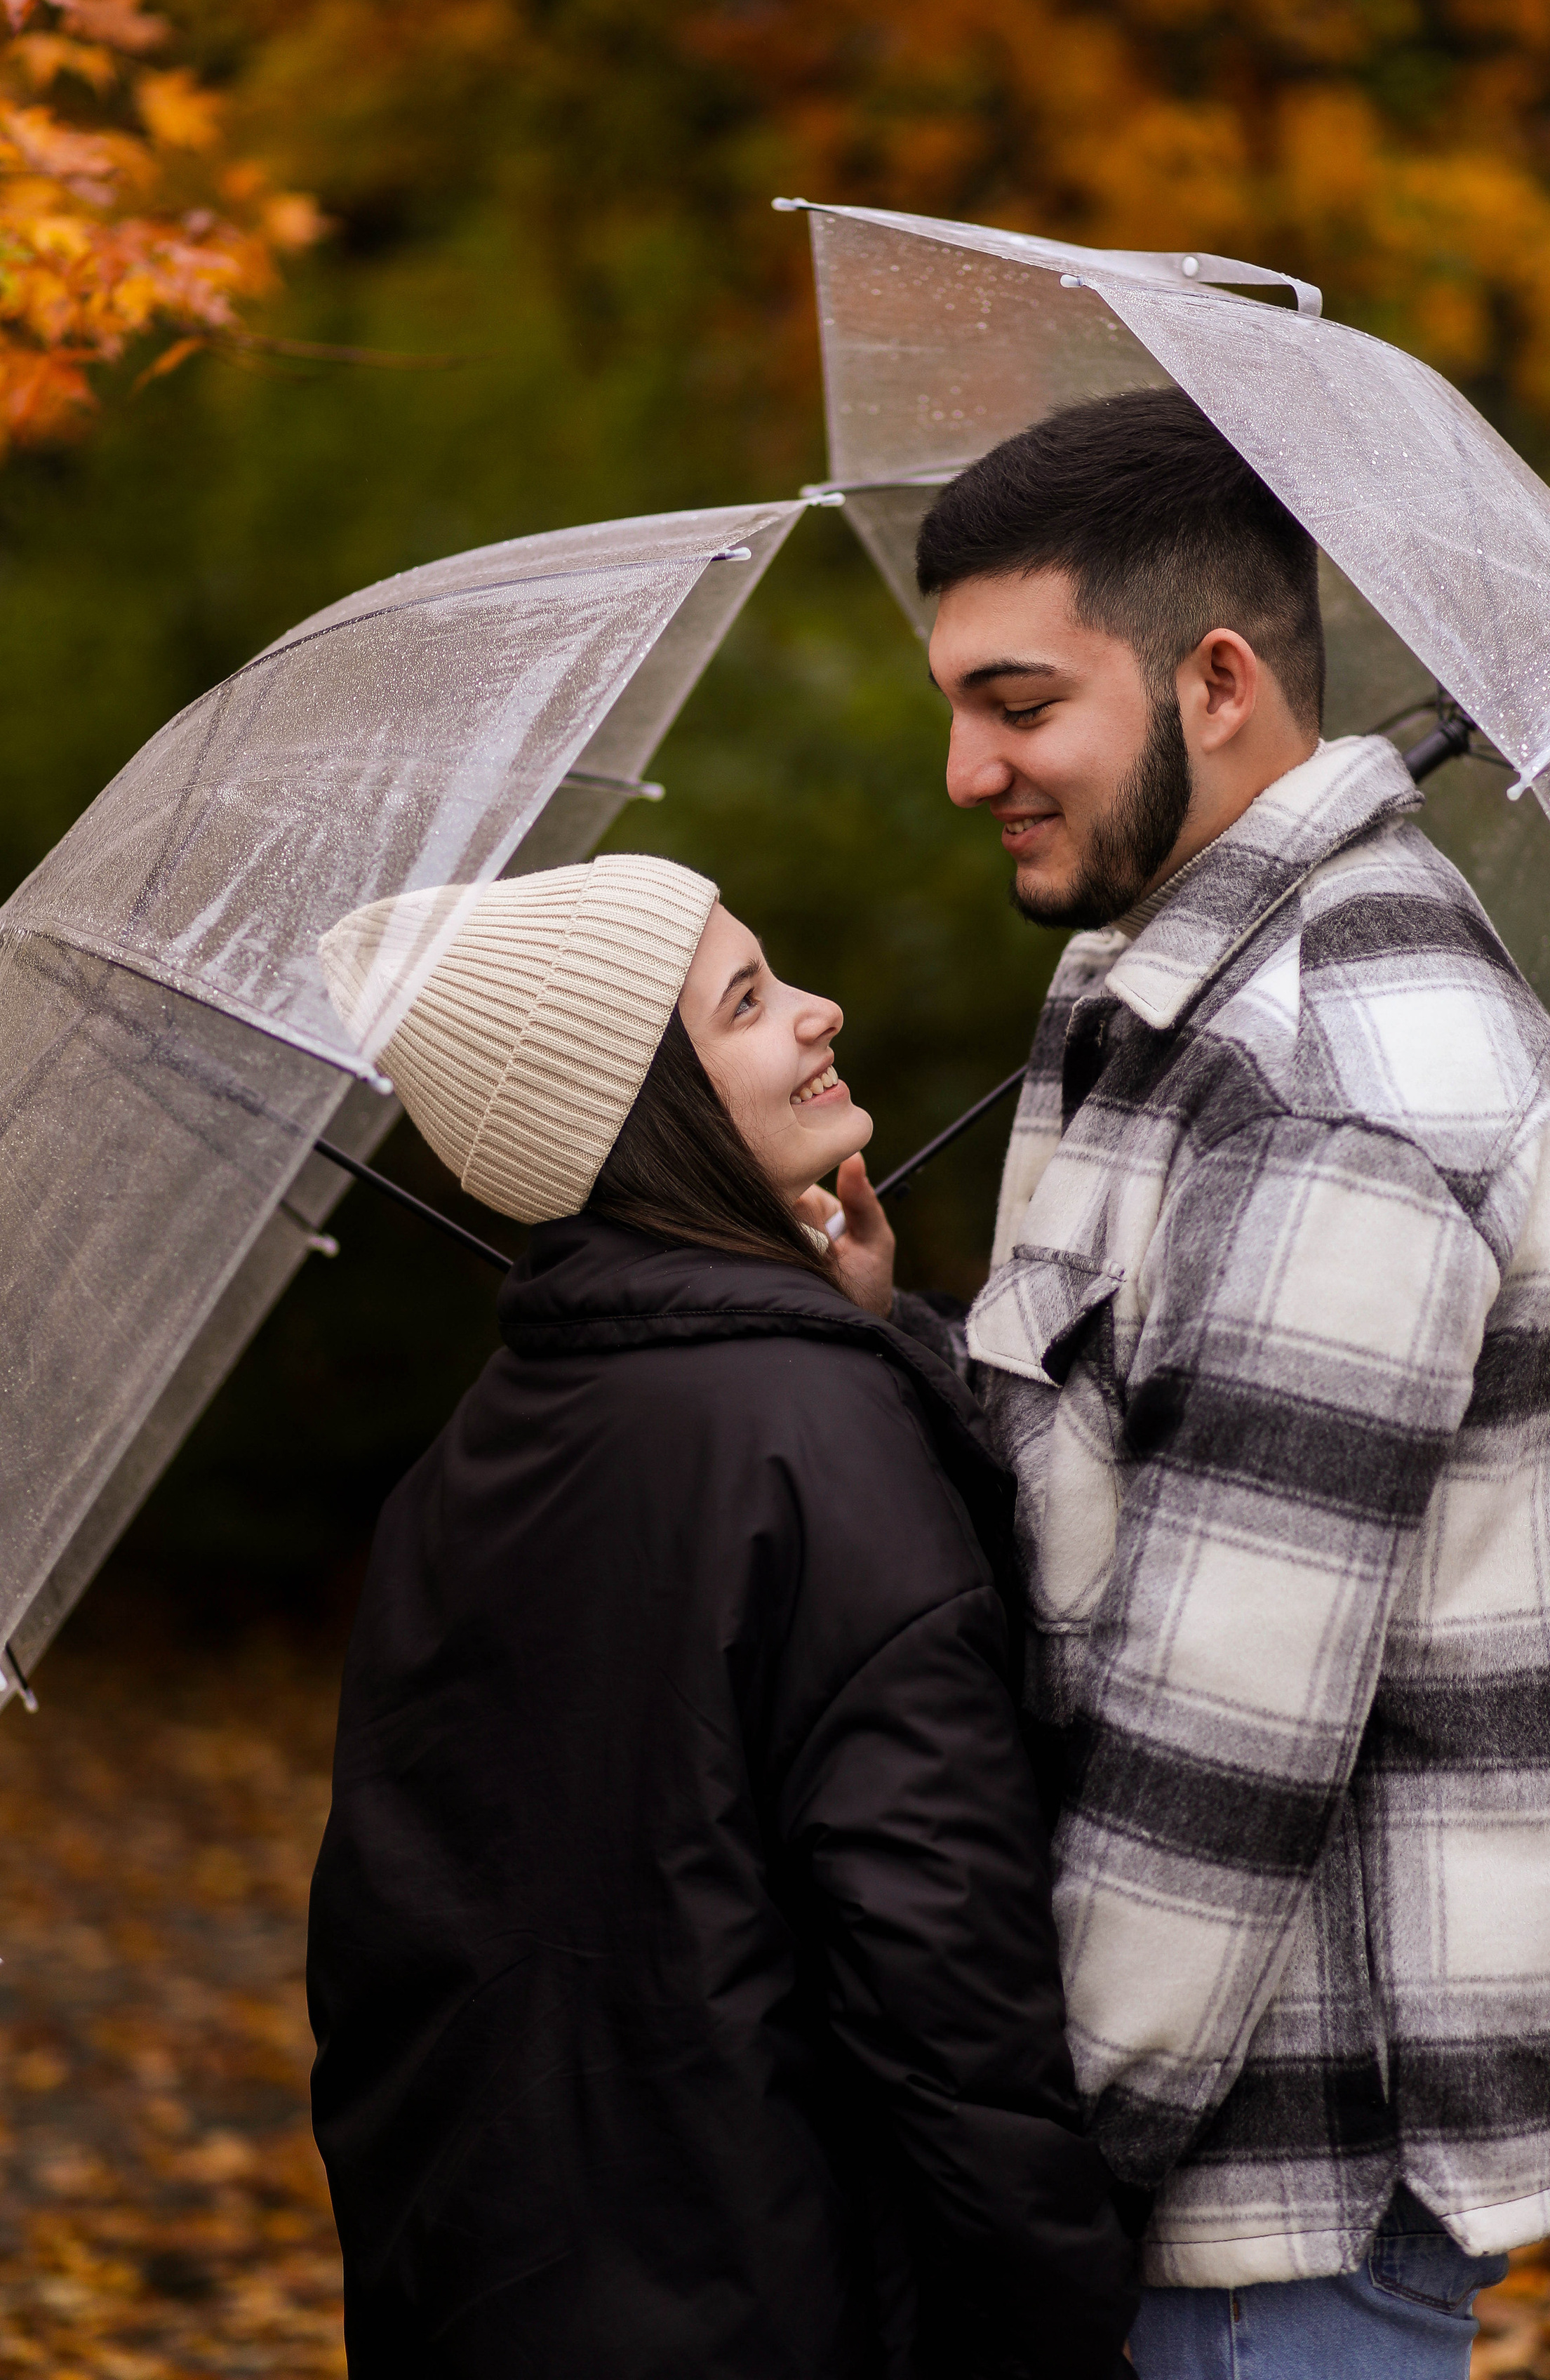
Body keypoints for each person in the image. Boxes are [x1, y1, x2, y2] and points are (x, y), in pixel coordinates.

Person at [827, 389, 1550, 2380]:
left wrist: (1015, 2204)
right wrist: (889, 1330)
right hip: (1193, 2188)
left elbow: (1216, 1771)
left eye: (1018, 704)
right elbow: (1111, 1484)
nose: (966, 770)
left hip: (1264, 2208)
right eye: (958, 706)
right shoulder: (1145, 1007)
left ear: (1216, 683)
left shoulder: (1338, 1094)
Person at [305, 853, 1138, 2380]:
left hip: (487, 2296)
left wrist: (869, 1338)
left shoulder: (461, 1471)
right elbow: (943, 1975)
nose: (819, 1013)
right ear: (646, 1114)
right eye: (747, 1003)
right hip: (778, 2303)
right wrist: (1066, 2325)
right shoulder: (806, 1435)